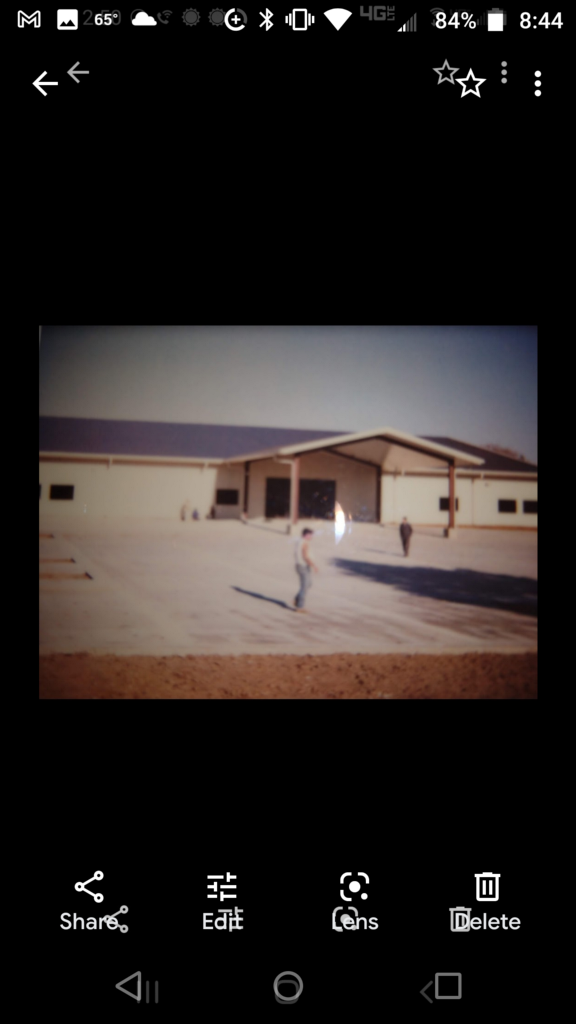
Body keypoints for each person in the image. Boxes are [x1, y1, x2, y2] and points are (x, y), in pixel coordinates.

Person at [293, 528, 319, 612]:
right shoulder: (304, 543)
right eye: (310, 535)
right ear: (306, 535)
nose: (311, 536)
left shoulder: (300, 541)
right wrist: (313, 565)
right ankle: (300, 607)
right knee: (304, 586)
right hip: (302, 566)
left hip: (301, 565)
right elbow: (305, 556)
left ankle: (297, 599)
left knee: (308, 583)